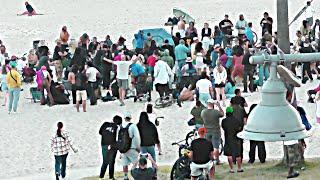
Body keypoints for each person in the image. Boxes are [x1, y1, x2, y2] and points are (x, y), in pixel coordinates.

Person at [99, 115, 122, 180]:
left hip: (104, 144)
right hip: (112, 145)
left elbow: (100, 132)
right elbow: (118, 138)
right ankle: (111, 177)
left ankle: (101, 177)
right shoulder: (117, 127)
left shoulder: (105, 124)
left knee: (105, 161)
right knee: (111, 162)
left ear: (113, 119)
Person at [201, 99, 224, 164]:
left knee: (208, 146)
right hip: (215, 131)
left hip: (207, 131)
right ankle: (217, 160)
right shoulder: (216, 112)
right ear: (213, 104)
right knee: (216, 146)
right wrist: (219, 106)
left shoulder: (203, 112)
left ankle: (210, 159)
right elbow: (222, 114)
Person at [221, 107, 244, 173]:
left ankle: (232, 169)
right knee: (238, 154)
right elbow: (240, 128)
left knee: (229, 154)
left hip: (228, 138)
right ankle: (239, 168)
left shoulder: (224, 121)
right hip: (236, 138)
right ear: (232, 112)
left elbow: (223, 127)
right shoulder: (236, 120)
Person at [120, 112, 141, 180]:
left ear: (124, 118)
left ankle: (125, 177)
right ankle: (135, 176)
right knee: (136, 163)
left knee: (125, 164)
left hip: (123, 149)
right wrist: (138, 148)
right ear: (130, 118)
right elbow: (137, 137)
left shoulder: (120, 126)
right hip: (131, 148)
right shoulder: (133, 126)